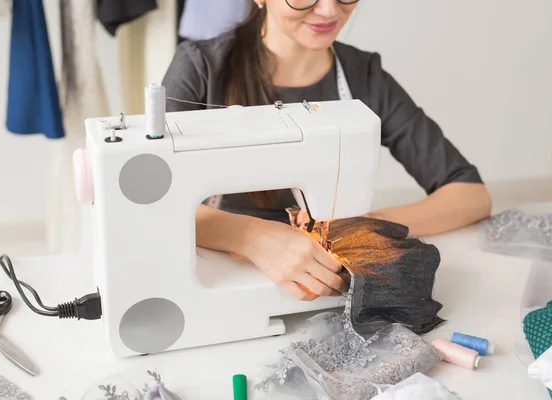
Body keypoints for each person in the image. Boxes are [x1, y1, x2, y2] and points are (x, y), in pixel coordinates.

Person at [161, 0, 492, 301]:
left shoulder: (364, 76)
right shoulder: (201, 69)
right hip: (219, 275)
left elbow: (470, 194)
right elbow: (156, 205)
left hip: (325, 284)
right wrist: (252, 237)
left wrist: (366, 223)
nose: (330, 11)